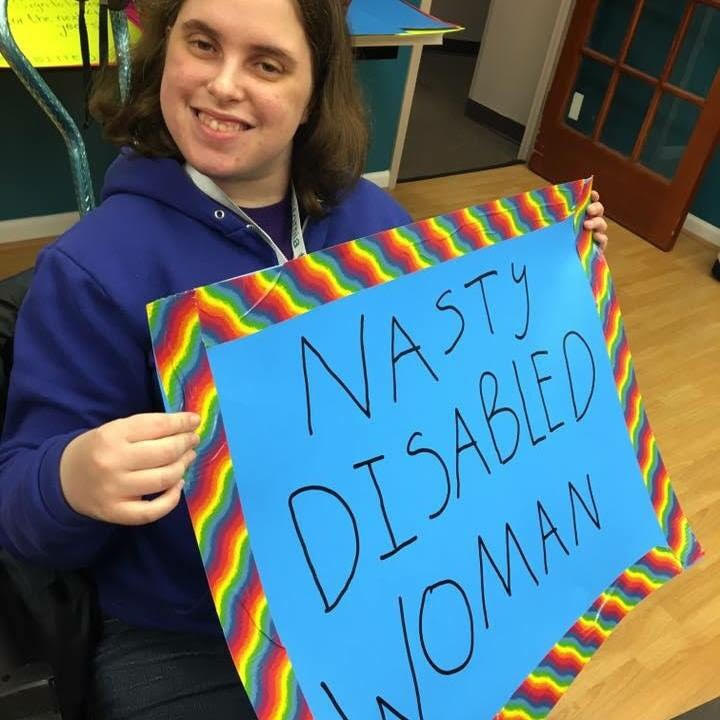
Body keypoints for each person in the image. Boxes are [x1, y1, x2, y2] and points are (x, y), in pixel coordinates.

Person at [0, 0, 608, 717]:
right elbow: (19, 509)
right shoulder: (94, 273)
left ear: (315, 88)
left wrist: (544, 292)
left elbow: (442, 391)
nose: (224, 84)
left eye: (267, 62)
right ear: (166, 51)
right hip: (190, 632)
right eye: (202, 44)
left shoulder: (373, 224)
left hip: (379, 587)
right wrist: (73, 478)